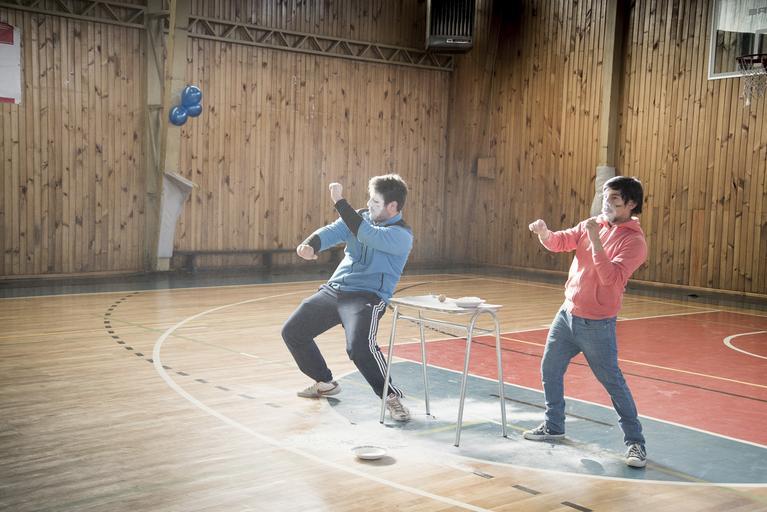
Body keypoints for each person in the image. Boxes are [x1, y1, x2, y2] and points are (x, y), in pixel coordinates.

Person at [525, 176, 648, 468]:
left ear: (631, 204)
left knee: (613, 383)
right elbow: (560, 241)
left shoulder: (634, 242)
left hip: (597, 325)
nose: (607, 203)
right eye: (605, 197)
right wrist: (544, 233)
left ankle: (636, 443)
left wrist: (595, 240)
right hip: (566, 315)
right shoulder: (591, 224)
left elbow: (610, 278)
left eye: (614, 198)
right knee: (550, 369)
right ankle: (554, 425)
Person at [282, 174, 413, 422]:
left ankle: (390, 396)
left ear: (393, 206)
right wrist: (311, 244)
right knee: (293, 332)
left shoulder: (401, 236)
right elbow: (334, 230)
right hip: (335, 289)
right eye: (370, 200)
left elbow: (366, 234)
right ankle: (325, 382)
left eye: (376, 202)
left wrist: (339, 201)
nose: (369, 205)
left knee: (359, 347)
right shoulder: (361, 217)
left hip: (367, 297)